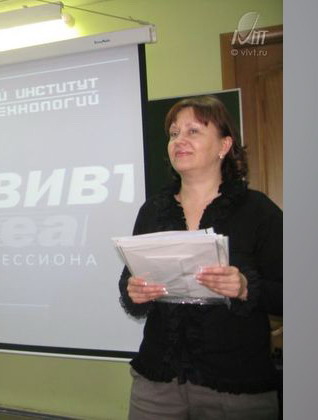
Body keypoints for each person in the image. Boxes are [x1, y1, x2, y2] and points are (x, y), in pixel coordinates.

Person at [119, 95, 282, 419]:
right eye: (174, 133)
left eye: (193, 131)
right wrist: (133, 292)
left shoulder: (258, 210)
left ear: (224, 145)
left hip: (236, 386)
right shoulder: (153, 210)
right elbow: (128, 284)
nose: (179, 140)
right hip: (157, 381)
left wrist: (245, 287)